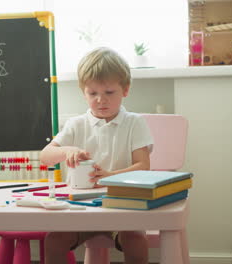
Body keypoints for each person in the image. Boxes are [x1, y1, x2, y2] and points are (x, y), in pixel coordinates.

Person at [40, 47, 154, 264]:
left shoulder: (134, 123)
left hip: (121, 210)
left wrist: (109, 175)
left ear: (125, 90)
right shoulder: (76, 124)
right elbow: (45, 156)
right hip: (80, 211)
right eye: (93, 93)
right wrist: (67, 150)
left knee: (137, 241)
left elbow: (143, 166)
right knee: (53, 241)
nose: (101, 100)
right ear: (84, 93)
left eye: (109, 93)